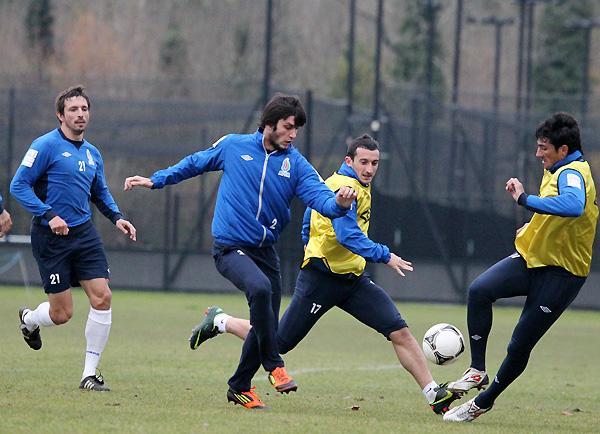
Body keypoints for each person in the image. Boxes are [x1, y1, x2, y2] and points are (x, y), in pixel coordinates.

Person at [188, 133, 461, 414]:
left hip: (353, 281)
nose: (369, 169)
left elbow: (308, 219)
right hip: (321, 280)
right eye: (363, 162)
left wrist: (310, 241)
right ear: (349, 161)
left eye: (374, 163)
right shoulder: (343, 187)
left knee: (398, 331)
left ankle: (434, 394)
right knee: (277, 342)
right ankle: (221, 321)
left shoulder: (355, 185)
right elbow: (347, 236)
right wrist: (385, 255)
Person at [124, 93, 357, 409]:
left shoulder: (296, 164)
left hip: (265, 251)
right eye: (288, 127)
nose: (293, 134)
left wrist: (340, 204)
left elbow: (321, 199)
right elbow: (194, 163)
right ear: (270, 123)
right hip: (229, 247)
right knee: (259, 290)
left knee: (266, 324)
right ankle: (274, 365)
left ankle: (239, 386)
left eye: (296, 129)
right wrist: (156, 180)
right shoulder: (233, 146)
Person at [443, 112, 598, 422]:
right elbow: (557, 217)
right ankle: (477, 370)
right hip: (531, 260)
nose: (538, 153)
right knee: (479, 291)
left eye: (543, 147)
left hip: (562, 275)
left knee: (519, 344)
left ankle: (483, 402)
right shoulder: (557, 168)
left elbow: (573, 205)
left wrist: (524, 199)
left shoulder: (572, 173)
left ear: (563, 149)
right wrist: (532, 228)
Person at [10, 85, 137, 392]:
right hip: (50, 237)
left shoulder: (93, 153)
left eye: (84, 109)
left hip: (84, 234)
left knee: (102, 297)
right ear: (60, 115)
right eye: (73, 110)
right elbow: (18, 186)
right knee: (62, 314)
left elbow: (99, 191)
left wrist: (117, 217)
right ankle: (30, 319)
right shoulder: (45, 145)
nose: (80, 114)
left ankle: (89, 375)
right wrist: (49, 214)